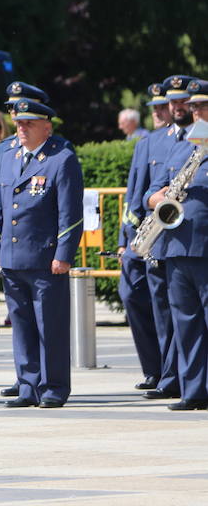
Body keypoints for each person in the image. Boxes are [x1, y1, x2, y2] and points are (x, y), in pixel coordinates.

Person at [0, 96, 84, 408]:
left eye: (29, 123)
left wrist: (64, 253)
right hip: (13, 257)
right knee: (22, 326)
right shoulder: (10, 155)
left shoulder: (61, 159)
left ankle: (53, 387)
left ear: (47, 126)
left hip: (45, 258)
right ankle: (28, 386)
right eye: (18, 123)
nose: (22, 128)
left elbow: (70, 213)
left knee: (50, 327)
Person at [144, 79, 208, 410]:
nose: (195, 112)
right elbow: (150, 193)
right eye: (193, 107)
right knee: (186, 322)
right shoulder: (181, 145)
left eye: (201, 107)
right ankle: (194, 391)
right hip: (177, 245)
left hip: (206, 246)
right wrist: (163, 196)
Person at [130, 74, 195, 401]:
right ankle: (170, 377)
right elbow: (142, 192)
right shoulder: (156, 141)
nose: (179, 107)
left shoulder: (197, 139)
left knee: (186, 317)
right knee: (165, 313)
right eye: (175, 102)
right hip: (160, 238)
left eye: (186, 101)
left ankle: (186, 380)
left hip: (193, 240)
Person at [116, 83, 168, 391]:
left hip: (171, 235)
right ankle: (153, 367)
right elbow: (133, 195)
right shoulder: (145, 144)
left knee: (166, 306)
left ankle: (170, 372)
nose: (159, 112)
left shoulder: (188, 139)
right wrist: (125, 240)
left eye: (163, 107)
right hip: (144, 237)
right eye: (155, 108)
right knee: (131, 294)